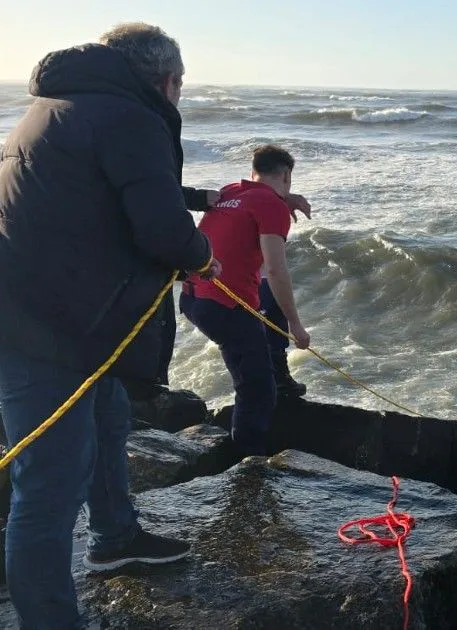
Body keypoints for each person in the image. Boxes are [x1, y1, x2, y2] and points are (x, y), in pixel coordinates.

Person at [0, 23, 219, 628]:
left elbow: (108, 188)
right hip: (48, 329)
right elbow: (158, 227)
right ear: (166, 79)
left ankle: (116, 536)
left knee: (109, 419)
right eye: (180, 85)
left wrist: (199, 198)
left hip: (61, 313)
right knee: (47, 485)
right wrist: (202, 256)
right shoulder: (131, 117)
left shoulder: (56, 107)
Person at [181, 145, 311, 456]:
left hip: (192, 298)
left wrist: (282, 199)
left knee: (252, 375)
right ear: (286, 175)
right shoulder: (271, 206)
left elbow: (253, 203)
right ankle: (248, 465)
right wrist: (296, 325)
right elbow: (276, 270)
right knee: (258, 391)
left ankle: (244, 446)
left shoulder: (230, 191)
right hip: (225, 306)